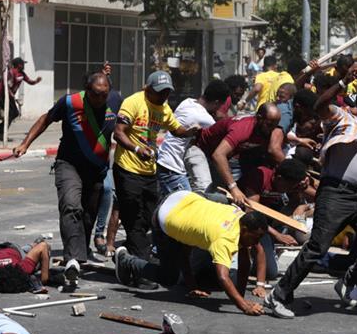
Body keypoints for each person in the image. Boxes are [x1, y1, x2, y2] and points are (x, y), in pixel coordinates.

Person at [263, 84, 357, 319]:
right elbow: (320, 106)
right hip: (335, 192)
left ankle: (353, 285)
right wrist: (341, 83)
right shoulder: (343, 118)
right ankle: (278, 295)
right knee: (317, 247)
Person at [14, 70, 122, 281]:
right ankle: (72, 257)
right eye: (96, 94)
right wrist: (25, 144)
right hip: (69, 164)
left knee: (88, 213)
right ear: (87, 91)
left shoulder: (116, 100)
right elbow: (46, 119)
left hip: (97, 168)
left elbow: (125, 126)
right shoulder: (70, 103)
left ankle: (80, 253)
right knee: (71, 205)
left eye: (105, 94)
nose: (101, 99)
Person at [113, 191, 268, 316]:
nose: (257, 242)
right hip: (165, 216)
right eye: (256, 237)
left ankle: (189, 281)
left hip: (184, 196)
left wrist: (239, 295)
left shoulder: (241, 216)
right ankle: (125, 260)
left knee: (217, 203)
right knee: (168, 277)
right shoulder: (224, 239)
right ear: (245, 229)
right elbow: (223, 276)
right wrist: (243, 306)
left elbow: (245, 259)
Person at [112, 71, 198, 259]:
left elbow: (176, 129)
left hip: (149, 171)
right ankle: (139, 263)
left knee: (152, 216)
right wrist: (136, 149)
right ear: (147, 89)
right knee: (133, 217)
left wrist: (192, 132)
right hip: (128, 169)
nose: (163, 96)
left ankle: (129, 252)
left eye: (167, 92)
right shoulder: (133, 102)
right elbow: (118, 133)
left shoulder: (164, 109)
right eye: (159, 92)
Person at [239, 158, 312, 289]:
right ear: (278, 177)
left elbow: (301, 200)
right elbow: (250, 213)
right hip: (245, 222)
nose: (289, 189)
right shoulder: (261, 176)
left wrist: (299, 191)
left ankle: (255, 262)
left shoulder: (289, 183)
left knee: (271, 273)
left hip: (265, 223)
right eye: (289, 186)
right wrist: (277, 235)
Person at [193, 102, 283, 205]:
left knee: (221, 195)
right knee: (204, 190)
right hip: (200, 150)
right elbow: (218, 155)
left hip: (216, 158)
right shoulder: (243, 128)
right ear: (259, 118)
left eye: (275, 125)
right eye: (269, 124)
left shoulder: (266, 131)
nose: (272, 129)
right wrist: (233, 187)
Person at [156, 80, 230, 197]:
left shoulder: (187, 102)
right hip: (172, 167)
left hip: (164, 158)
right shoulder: (204, 118)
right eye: (220, 106)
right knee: (184, 206)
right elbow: (221, 135)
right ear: (216, 103)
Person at [0, 239, 64, 292]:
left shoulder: (21, 268)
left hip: (11, 248)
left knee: (39, 250)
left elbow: (43, 246)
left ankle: (32, 245)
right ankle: (32, 245)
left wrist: (44, 280)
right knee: (38, 255)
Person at [0, 57, 42, 138]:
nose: (23, 65)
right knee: (10, 113)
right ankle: (1, 132)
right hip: (0, 95)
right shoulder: (11, 73)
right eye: (22, 64)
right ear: (18, 65)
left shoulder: (22, 74)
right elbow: (6, 85)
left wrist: (36, 81)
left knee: (14, 113)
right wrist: (11, 94)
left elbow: (29, 81)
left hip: (9, 95)